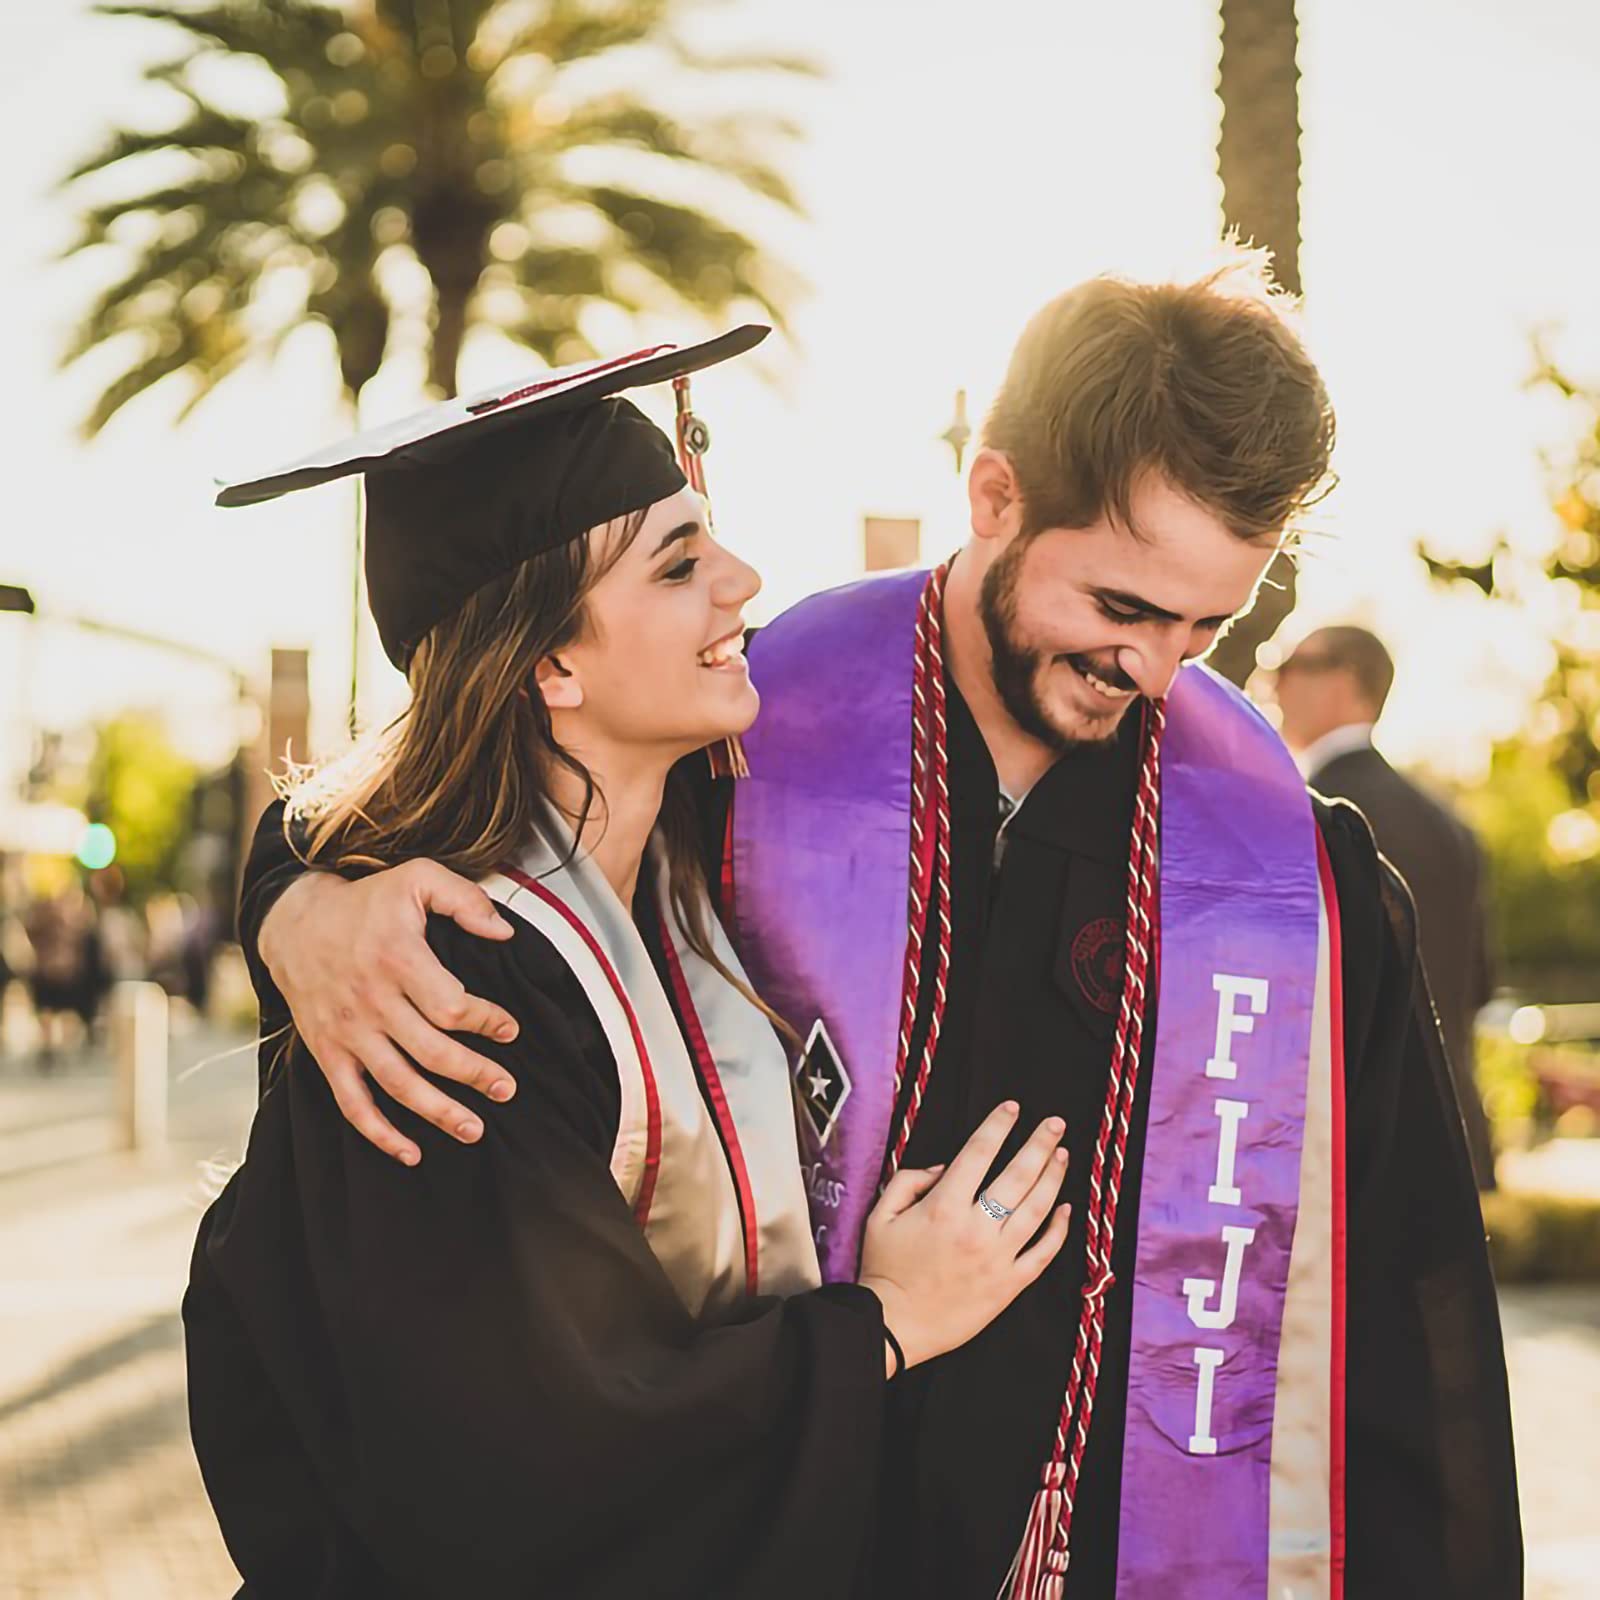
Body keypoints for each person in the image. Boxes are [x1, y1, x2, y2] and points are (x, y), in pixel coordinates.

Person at [243, 261, 1523, 1598]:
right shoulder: (747, 735)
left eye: (1209, 625)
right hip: (767, 1535)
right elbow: (451, 784)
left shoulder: (1287, 873)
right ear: (995, 496)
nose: (1155, 670)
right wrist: (295, 899)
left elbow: (1404, 1334)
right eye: (1120, 609)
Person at [184, 330, 1075, 1598]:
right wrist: (885, 1327)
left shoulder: (691, 852)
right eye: (679, 564)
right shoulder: (449, 991)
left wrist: (286, 894)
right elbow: (541, 1452)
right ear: (550, 661)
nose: (744, 582)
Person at [1275, 624, 1498, 1189]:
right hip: (1445, 1138)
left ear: (1343, 682)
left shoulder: (1309, 816)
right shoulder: (1451, 826)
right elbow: (1479, 984)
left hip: (1340, 1149)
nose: (1271, 682)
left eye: (1288, 664)